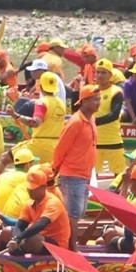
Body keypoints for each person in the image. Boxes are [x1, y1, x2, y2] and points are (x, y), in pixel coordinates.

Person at [51, 83, 99, 242]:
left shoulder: (91, 119)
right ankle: (72, 249)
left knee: (79, 213)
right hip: (72, 175)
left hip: (84, 175)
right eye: (94, 100)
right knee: (72, 214)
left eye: (99, 100)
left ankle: (72, 245)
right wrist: (54, 168)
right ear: (84, 102)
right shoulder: (75, 122)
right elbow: (60, 148)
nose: (98, 103)